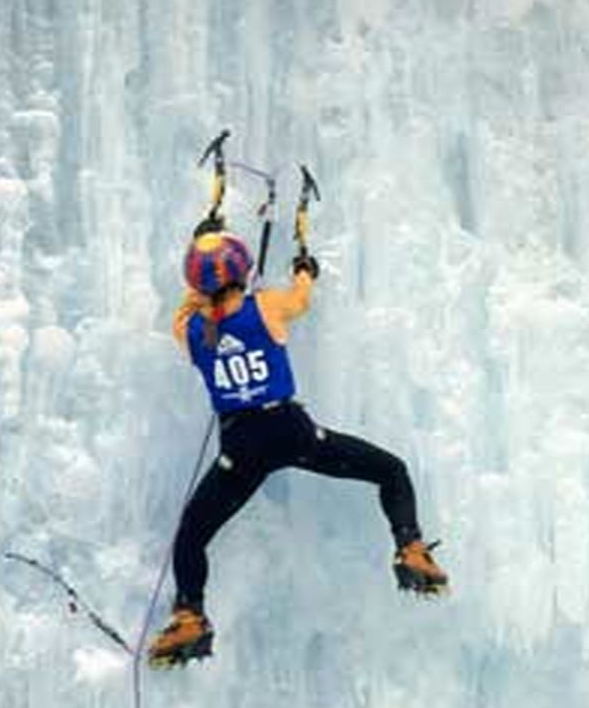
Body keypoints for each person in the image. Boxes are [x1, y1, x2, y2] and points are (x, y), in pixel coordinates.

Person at [148, 229, 448, 667]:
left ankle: (190, 616)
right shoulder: (265, 307)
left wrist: (201, 270)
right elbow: (299, 301)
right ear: (243, 272)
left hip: (241, 448)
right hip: (291, 431)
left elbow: (193, 304)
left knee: (192, 535)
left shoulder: (190, 330)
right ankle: (411, 549)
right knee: (391, 470)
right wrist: (304, 272)